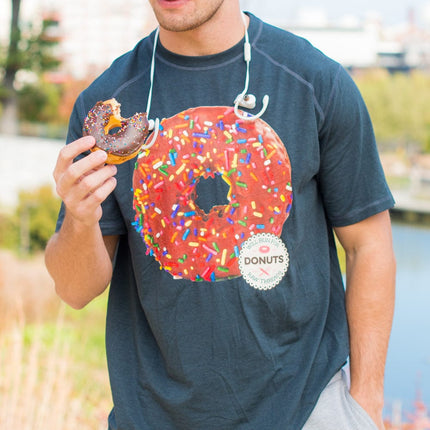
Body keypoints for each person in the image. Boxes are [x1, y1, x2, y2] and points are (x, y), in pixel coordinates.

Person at [45, 1, 396, 429]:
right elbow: (74, 290)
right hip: (152, 416)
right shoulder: (109, 104)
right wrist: (80, 219)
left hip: (307, 410)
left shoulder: (313, 81)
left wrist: (364, 404)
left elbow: (369, 244)